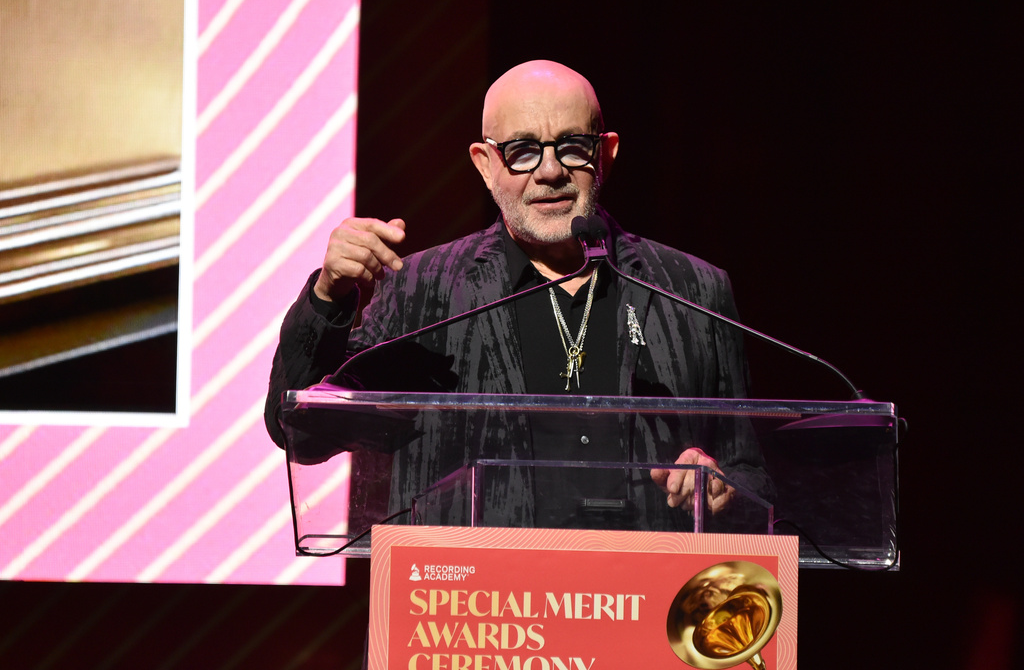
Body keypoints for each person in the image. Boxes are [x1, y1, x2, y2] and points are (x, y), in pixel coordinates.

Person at [265, 60, 771, 527]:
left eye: (572, 146)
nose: (550, 171)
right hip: (475, 614)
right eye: (523, 151)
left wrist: (721, 485)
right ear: (485, 164)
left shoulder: (693, 291)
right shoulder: (423, 290)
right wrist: (329, 295)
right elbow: (301, 434)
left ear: (607, 154)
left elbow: (750, 475)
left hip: (647, 608)